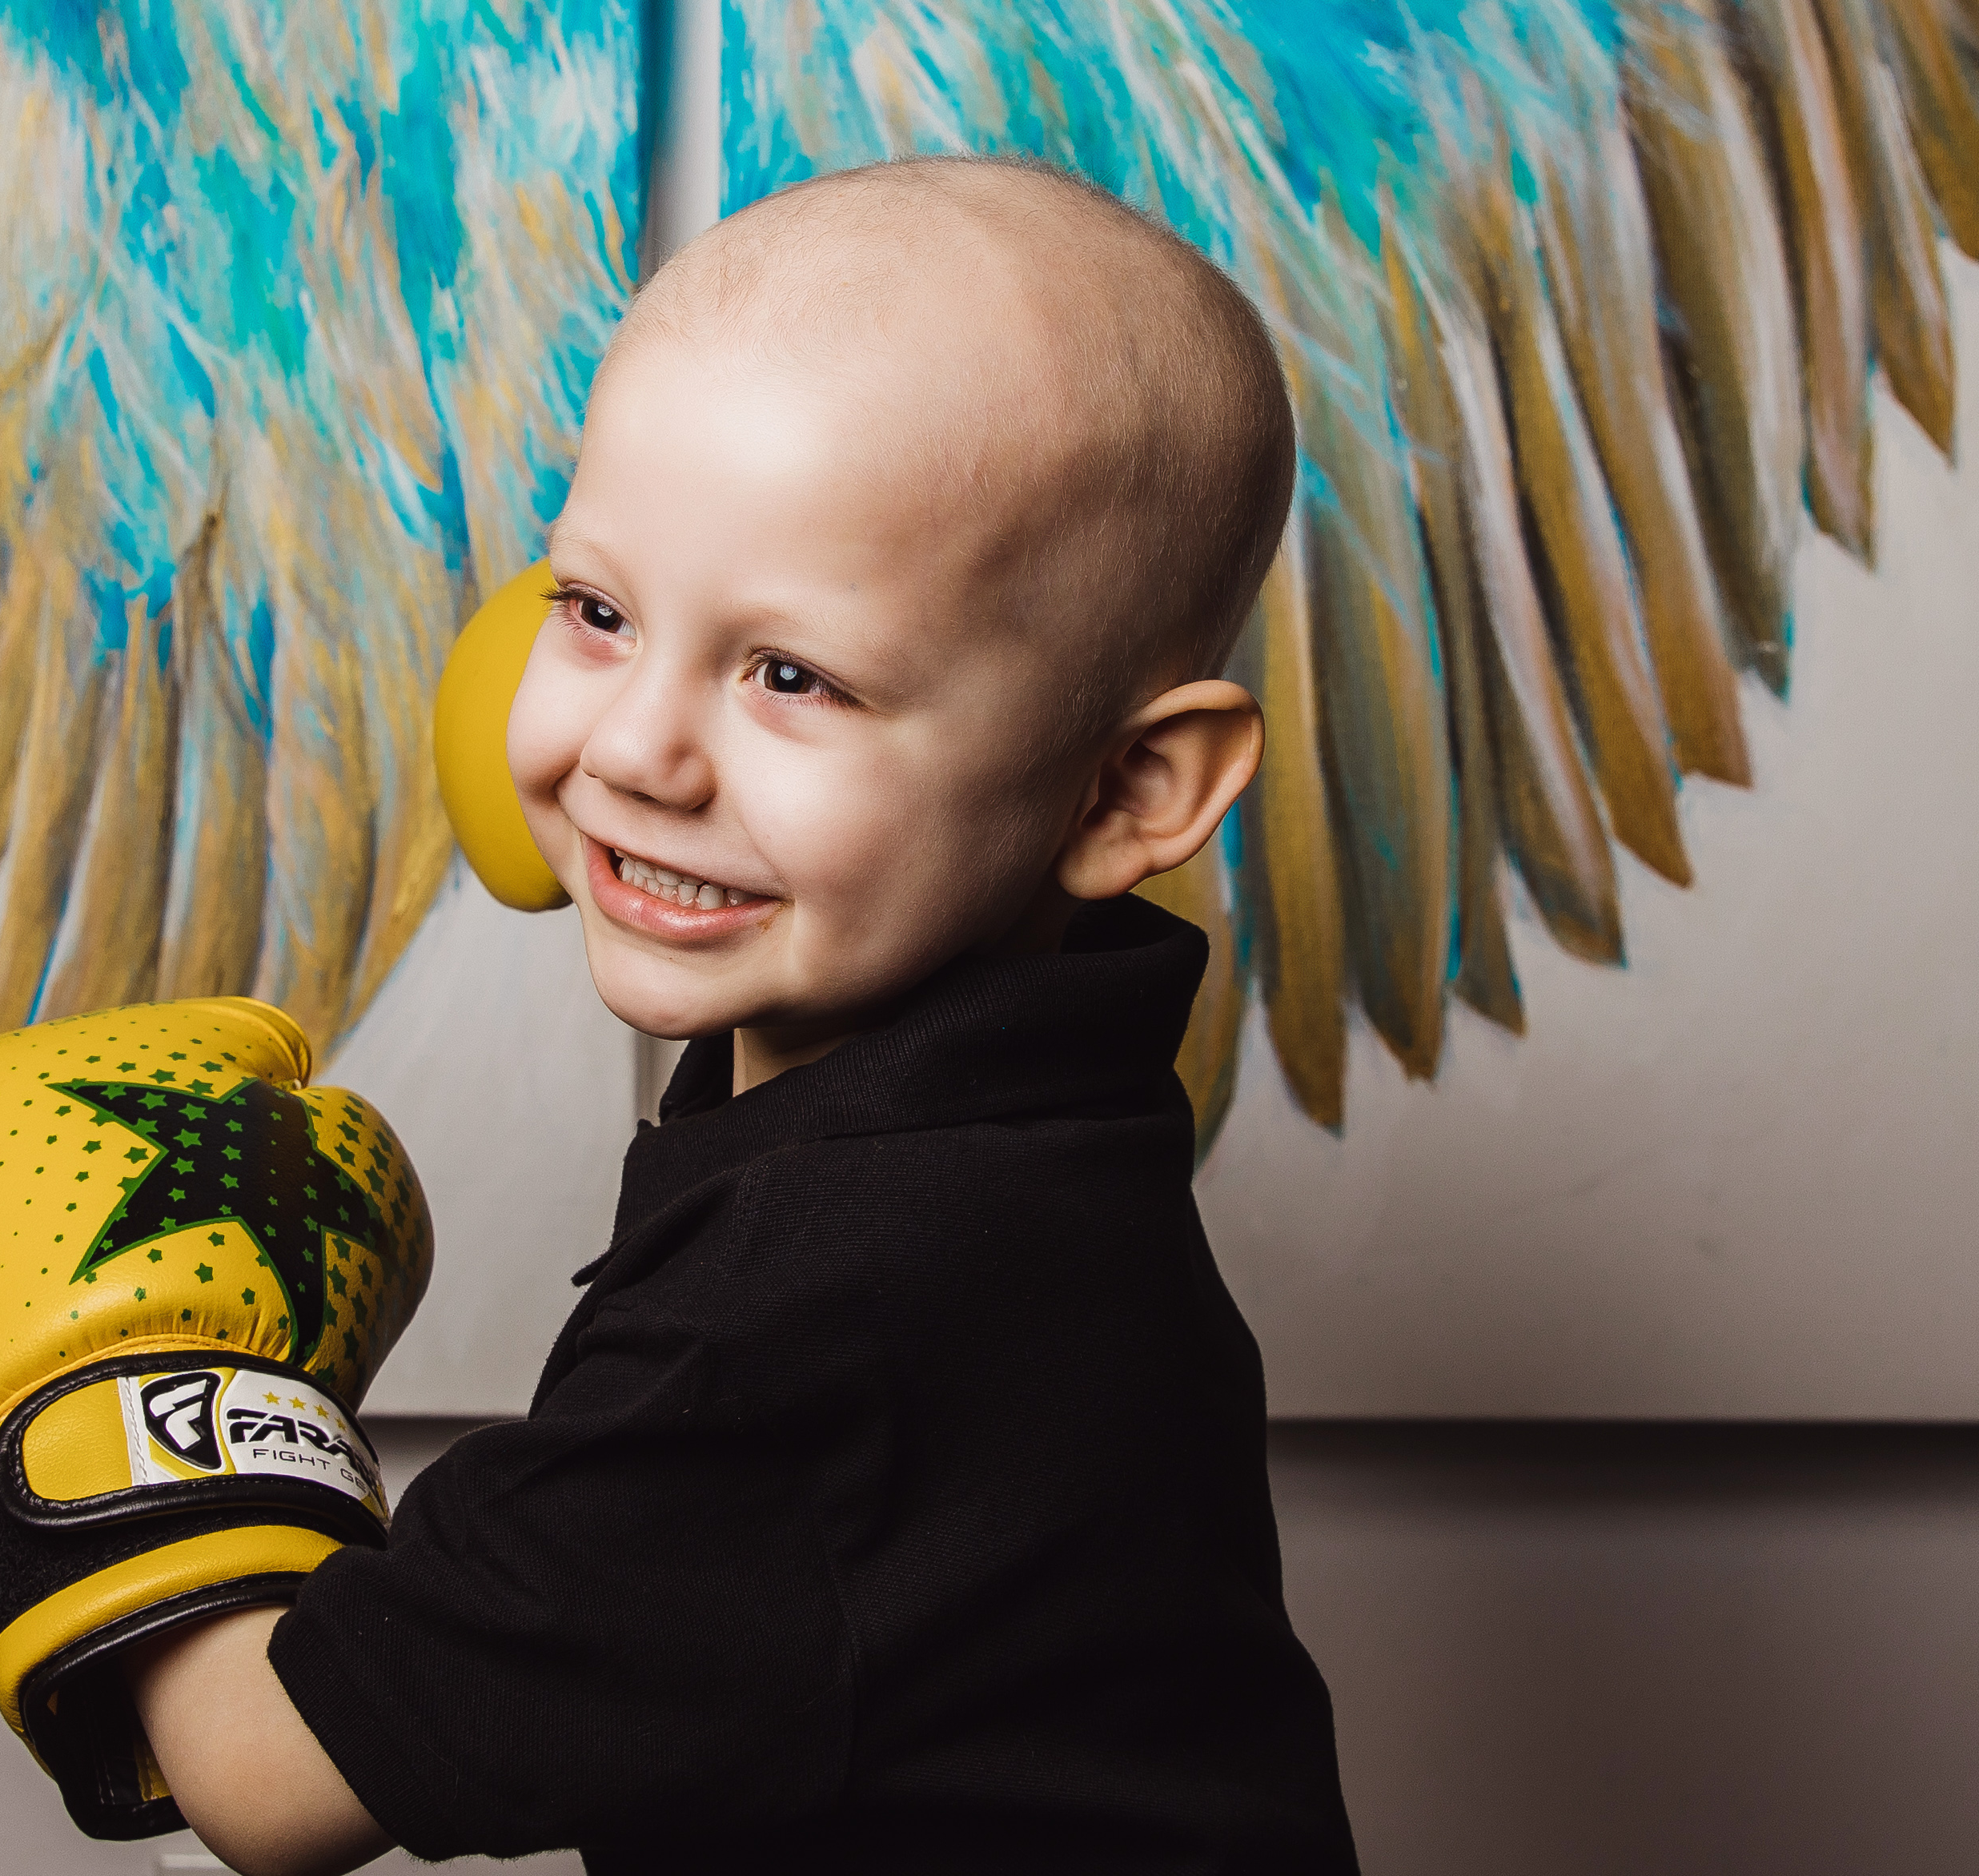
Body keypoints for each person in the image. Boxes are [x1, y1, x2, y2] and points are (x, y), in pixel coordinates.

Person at [128, 154, 1356, 1875]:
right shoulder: (1020, 1137)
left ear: (1126, 789)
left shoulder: (826, 1301)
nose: (635, 751)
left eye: (793, 675)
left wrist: (105, 1390)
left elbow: (270, 1783)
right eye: (595, 611)